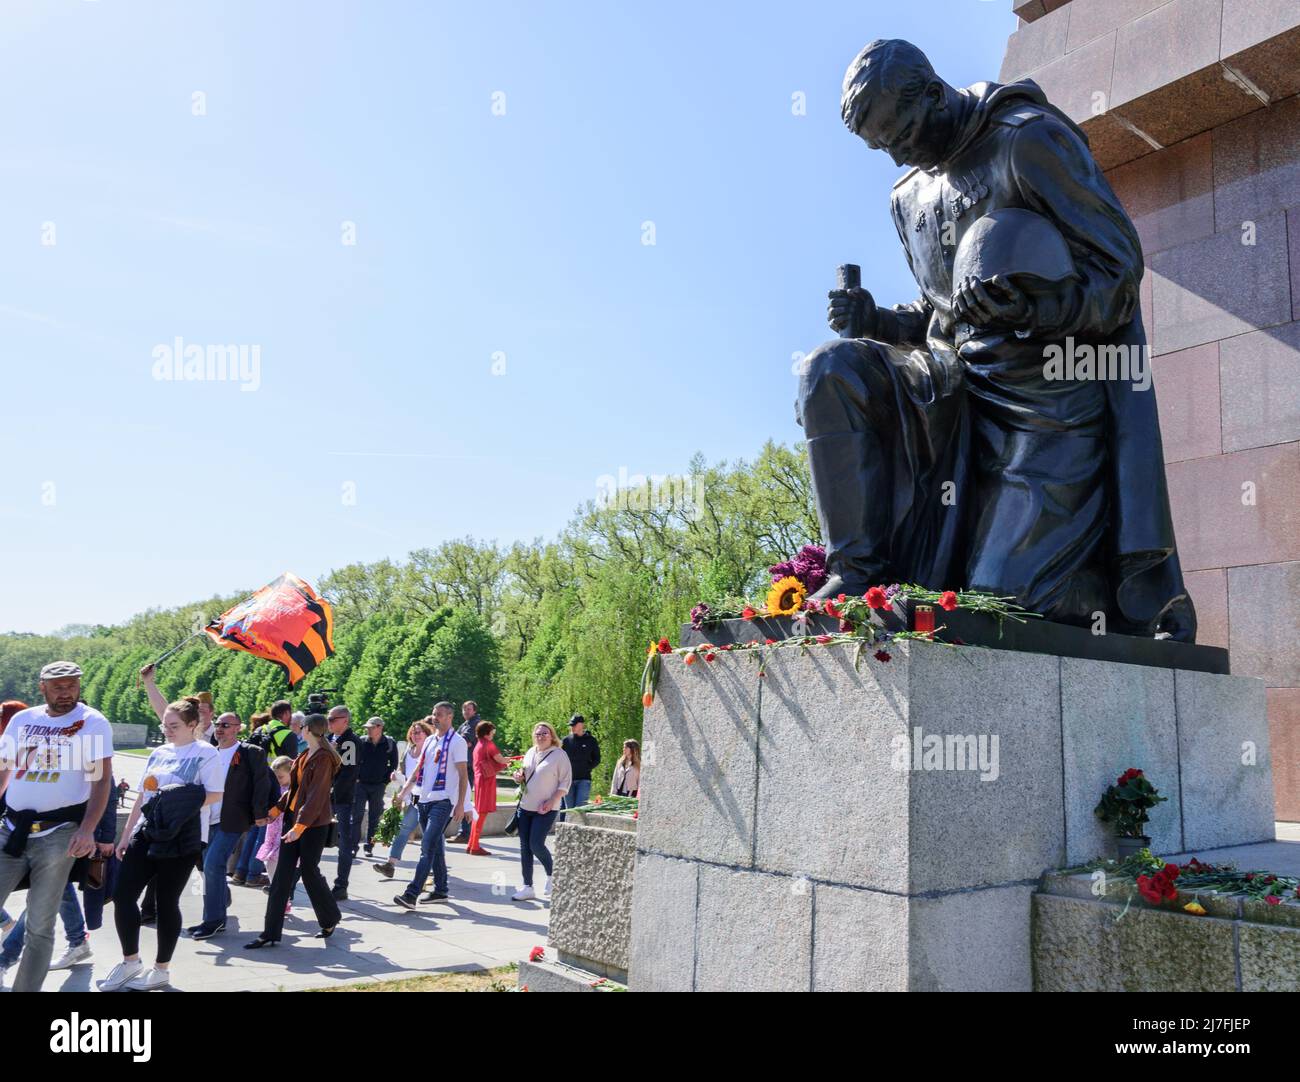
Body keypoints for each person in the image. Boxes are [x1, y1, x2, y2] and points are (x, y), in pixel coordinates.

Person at [99, 675, 223, 992]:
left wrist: (177, 801)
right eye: (166, 725)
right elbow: (143, 796)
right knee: (124, 895)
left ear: (193, 724)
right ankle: (130, 963)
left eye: (174, 726)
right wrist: (125, 835)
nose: (167, 730)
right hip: (146, 831)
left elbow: (215, 794)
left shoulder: (206, 752)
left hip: (182, 836)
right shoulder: (159, 753)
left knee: (167, 902)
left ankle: (161, 969)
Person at [0, 662, 114, 992]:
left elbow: (101, 780)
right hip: (11, 828)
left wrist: (88, 829)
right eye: (59, 686)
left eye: (72, 685)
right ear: (43, 687)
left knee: (40, 924)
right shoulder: (24, 720)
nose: (66, 692)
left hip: (58, 832)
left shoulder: (91, 723)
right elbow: (4, 768)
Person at [245, 714, 343, 949]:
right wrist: (274, 812)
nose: (297, 729)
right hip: (294, 824)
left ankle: (330, 918)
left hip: (312, 827)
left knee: (309, 873)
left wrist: (299, 828)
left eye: (301, 726)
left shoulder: (324, 759)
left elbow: (316, 797)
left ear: (308, 729)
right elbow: (294, 792)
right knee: (281, 878)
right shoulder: (302, 756)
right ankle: (270, 933)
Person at [187, 709, 272, 940]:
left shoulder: (250, 753)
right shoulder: (209, 753)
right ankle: (220, 903)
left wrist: (260, 814)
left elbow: (261, 784)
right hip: (207, 819)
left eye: (226, 724)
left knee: (214, 864)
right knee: (206, 867)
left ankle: (213, 921)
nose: (220, 728)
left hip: (233, 819)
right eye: (218, 724)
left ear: (238, 728)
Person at [391, 702, 468, 909]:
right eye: (434, 714)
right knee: (435, 847)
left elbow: (463, 775)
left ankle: (411, 894)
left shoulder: (457, 742)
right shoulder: (430, 740)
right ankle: (441, 890)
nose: (435, 718)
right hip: (423, 800)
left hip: (443, 802)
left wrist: (461, 804)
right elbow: (418, 770)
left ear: (450, 717)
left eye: (439, 715)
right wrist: (403, 792)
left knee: (427, 847)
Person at [511, 723, 571, 902]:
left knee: (536, 844)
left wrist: (552, 800)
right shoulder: (531, 752)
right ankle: (527, 886)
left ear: (552, 735)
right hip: (525, 807)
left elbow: (565, 783)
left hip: (546, 808)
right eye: (538, 733)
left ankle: (552, 876)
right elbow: (523, 774)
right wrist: (518, 776)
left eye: (545, 733)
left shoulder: (559, 755)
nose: (541, 736)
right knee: (524, 848)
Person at [372, 720, 431, 879]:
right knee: (404, 828)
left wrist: (403, 793)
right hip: (412, 796)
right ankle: (390, 864)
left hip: (426, 797)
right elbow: (402, 769)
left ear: (427, 734)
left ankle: (433, 866)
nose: (415, 734)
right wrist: (395, 774)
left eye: (419, 732)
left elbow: (418, 777)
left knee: (430, 834)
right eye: (413, 732)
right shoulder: (409, 751)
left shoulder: (430, 751)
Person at [326, 705, 360, 900]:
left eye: (333, 719)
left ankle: (341, 885)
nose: (329, 722)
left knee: (345, 844)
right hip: (331, 798)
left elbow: (347, 773)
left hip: (342, 800)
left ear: (345, 721)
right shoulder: (332, 739)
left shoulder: (349, 742)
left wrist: (331, 794)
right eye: (328, 719)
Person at [255, 757, 295, 912]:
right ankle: (280, 895)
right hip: (272, 834)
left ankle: (282, 898)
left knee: (277, 866)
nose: (277, 780)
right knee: (269, 864)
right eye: (275, 777)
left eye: (280, 777)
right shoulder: (274, 789)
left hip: (285, 834)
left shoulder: (294, 791)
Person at [356, 717, 397, 858]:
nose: (368, 730)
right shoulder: (361, 741)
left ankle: (369, 847)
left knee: (374, 818)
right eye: (367, 728)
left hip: (378, 786)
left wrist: (384, 782)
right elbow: (354, 760)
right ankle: (353, 847)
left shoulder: (390, 743)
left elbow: (393, 764)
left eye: (371, 727)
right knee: (357, 816)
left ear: (380, 727)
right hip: (360, 784)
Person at [467, 720, 508, 856]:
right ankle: (475, 846)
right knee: (481, 813)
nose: (493, 735)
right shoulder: (489, 744)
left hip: (480, 780)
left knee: (478, 813)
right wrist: (512, 760)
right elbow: (501, 760)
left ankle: (472, 843)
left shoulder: (479, 744)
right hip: (486, 781)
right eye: (492, 732)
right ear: (487, 732)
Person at [560, 714, 600, 820]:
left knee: (580, 809)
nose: (571, 727)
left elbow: (597, 759)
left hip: (584, 780)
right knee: (570, 810)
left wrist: (586, 767)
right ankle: (568, 834)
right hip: (568, 781)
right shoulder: (566, 741)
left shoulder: (591, 740)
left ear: (581, 725)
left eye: (574, 725)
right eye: (571, 725)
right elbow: (559, 759)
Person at [453, 702, 482, 843]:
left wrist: (460, 742)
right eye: (464, 709)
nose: (465, 711)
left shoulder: (474, 723)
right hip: (466, 764)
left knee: (463, 798)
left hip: (468, 766)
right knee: (462, 797)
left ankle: (465, 833)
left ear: (474, 711)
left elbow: (463, 740)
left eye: (468, 709)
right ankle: (464, 832)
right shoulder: (466, 723)